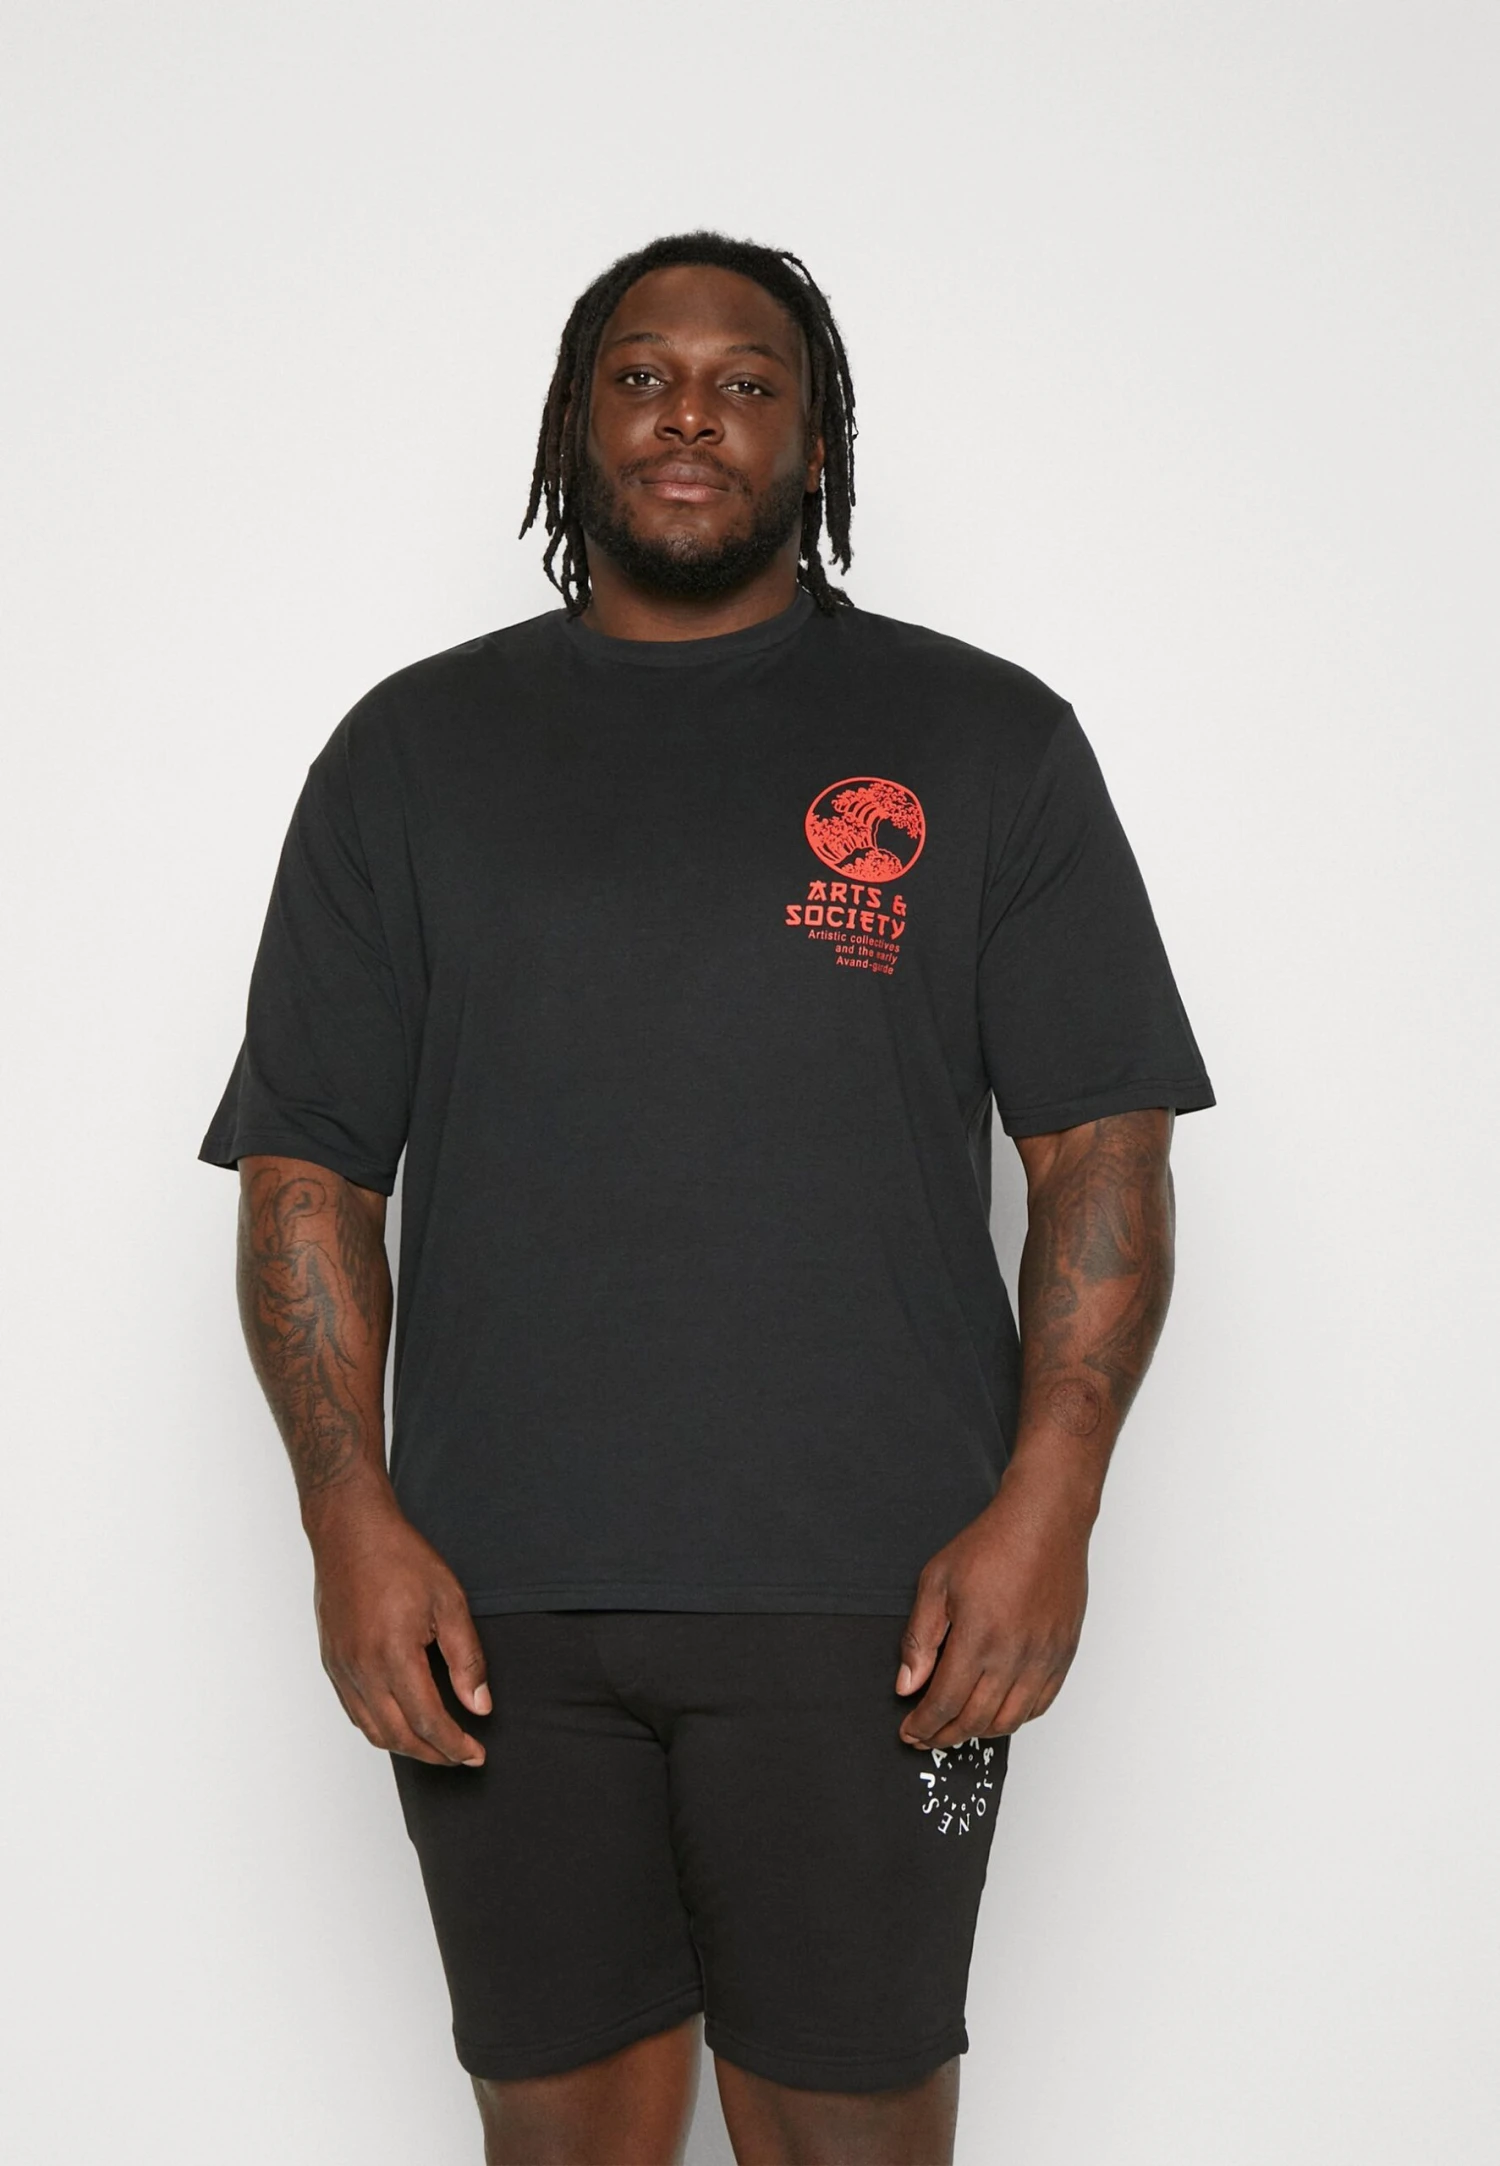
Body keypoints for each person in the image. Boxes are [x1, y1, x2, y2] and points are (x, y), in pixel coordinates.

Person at [201, 230, 1214, 2166]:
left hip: (876, 1607)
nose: (691, 414)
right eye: (643, 375)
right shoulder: (408, 756)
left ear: (814, 439)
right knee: (559, 2144)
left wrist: (1053, 1504)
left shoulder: (984, 742)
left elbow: (1102, 1152)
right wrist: (346, 1515)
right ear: (573, 425)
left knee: (853, 2141)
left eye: (747, 382)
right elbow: (308, 1168)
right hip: (497, 1610)